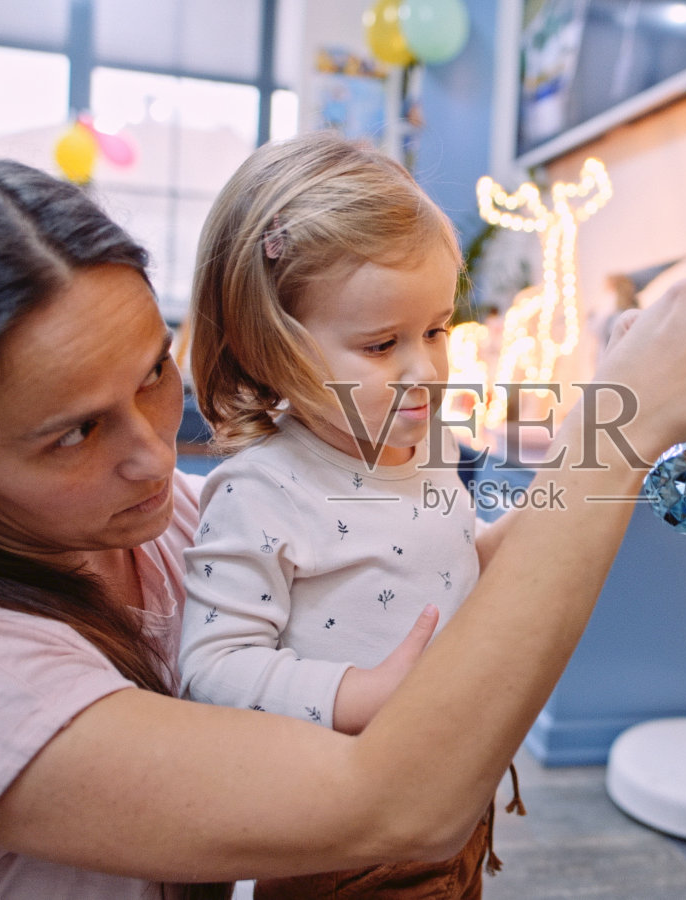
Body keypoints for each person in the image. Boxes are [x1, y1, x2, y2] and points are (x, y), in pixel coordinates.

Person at [0, 146, 686, 900]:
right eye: (71, 435)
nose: (152, 454)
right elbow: (393, 802)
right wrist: (615, 428)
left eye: (152, 376)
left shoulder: (161, 524)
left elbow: (443, 577)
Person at [179, 134, 515, 897]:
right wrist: (361, 694)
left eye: (435, 330)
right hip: (341, 844)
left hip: (454, 804)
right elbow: (209, 668)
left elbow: (456, 556)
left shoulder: (429, 442)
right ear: (271, 350)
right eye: (379, 344)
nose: (425, 371)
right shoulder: (261, 492)